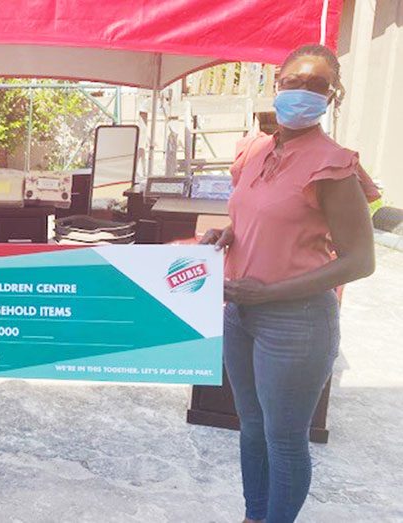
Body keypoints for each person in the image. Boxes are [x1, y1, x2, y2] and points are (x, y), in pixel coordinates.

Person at [201, 44, 379, 523]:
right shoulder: (255, 150)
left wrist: (271, 293)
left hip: (295, 323)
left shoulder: (333, 166)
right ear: (276, 85)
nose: (302, 92)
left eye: (317, 85)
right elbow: (257, 217)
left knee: (284, 439)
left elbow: (361, 261)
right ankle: (254, 515)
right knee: (252, 428)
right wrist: (226, 234)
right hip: (241, 313)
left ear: (333, 95)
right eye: (293, 82)